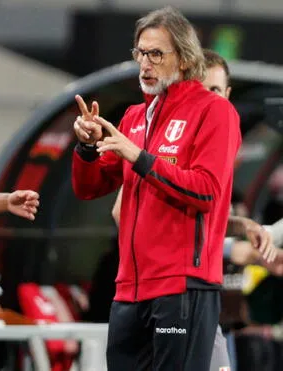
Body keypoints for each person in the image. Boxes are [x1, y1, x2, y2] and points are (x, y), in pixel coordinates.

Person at [71, 7, 241, 370]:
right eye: (140, 53)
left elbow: (207, 191)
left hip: (183, 286)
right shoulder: (134, 116)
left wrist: (140, 157)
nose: (145, 64)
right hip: (129, 288)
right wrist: (86, 148)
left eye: (156, 54)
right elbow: (89, 188)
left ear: (183, 58)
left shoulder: (215, 111)